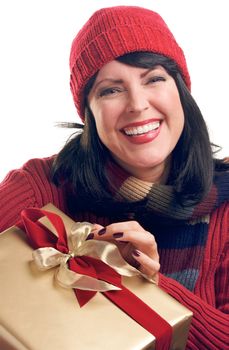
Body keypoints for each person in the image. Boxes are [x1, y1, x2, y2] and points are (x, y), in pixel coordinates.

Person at [0, 5, 228, 349]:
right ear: (89, 111)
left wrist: (148, 285)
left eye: (154, 79)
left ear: (180, 90)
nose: (137, 104)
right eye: (110, 90)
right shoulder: (43, 185)